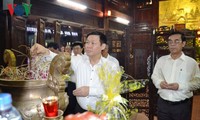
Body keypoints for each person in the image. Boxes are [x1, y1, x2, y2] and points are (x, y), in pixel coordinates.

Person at [30, 31, 120, 113]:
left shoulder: (111, 66)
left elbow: (114, 90)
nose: (88, 46)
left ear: (103, 46)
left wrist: (90, 91)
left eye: (93, 43)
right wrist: (45, 51)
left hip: (103, 112)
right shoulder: (79, 61)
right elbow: (60, 58)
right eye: (87, 42)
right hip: (80, 110)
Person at [151, 31, 200, 120]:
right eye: (170, 42)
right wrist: (160, 83)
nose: (172, 44)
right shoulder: (161, 60)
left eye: (176, 41)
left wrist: (180, 86)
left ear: (183, 43)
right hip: (163, 104)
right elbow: (154, 76)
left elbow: (197, 82)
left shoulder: (191, 63)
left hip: (181, 106)